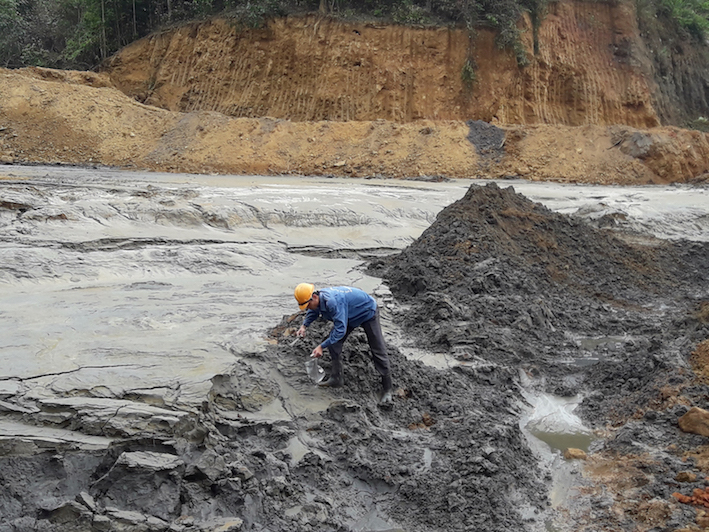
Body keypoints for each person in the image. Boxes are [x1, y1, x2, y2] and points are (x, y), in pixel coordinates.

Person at [294, 283, 393, 403]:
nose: (308, 308)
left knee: (377, 349)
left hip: (367, 311)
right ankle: (337, 378)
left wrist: (321, 346)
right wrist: (304, 326)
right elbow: (313, 311)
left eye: (308, 305)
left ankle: (388, 389)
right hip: (349, 314)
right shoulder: (318, 300)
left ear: (314, 297)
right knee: (333, 343)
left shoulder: (333, 302)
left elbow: (340, 331)